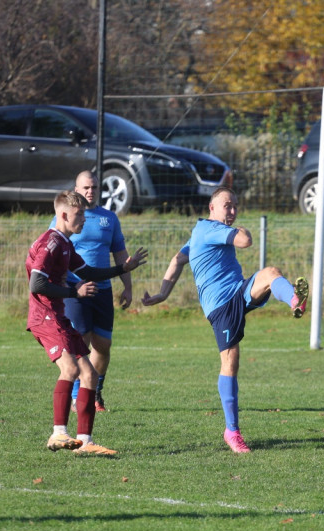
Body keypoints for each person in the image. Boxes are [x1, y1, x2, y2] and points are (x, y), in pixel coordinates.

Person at [141, 187, 309, 454]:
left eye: (235, 206)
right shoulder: (211, 229)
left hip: (238, 291)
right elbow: (245, 241)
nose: (232, 211)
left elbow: (178, 259)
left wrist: (163, 293)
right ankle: (232, 431)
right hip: (221, 306)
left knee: (270, 273)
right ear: (212, 208)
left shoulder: (200, 233)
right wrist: (242, 229)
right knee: (230, 361)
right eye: (227, 206)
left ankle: (294, 300)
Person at [26, 190, 147, 455]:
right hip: (45, 316)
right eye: (79, 214)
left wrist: (122, 269)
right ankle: (58, 433)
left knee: (89, 374)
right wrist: (74, 292)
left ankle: (85, 441)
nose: (84, 219)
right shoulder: (51, 243)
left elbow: (88, 272)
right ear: (63, 215)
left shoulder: (66, 244)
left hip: (58, 316)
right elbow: (36, 284)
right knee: (70, 369)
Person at [48, 171, 133, 413]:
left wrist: (127, 286)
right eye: (86, 187)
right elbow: (53, 249)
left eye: (94, 187)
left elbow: (120, 254)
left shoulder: (109, 218)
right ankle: (78, 397)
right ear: (76, 189)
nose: (90, 191)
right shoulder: (66, 217)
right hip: (76, 290)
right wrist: (61, 283)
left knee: (103, 346)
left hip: (103, 291)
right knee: (80, 344)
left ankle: (95, 391)